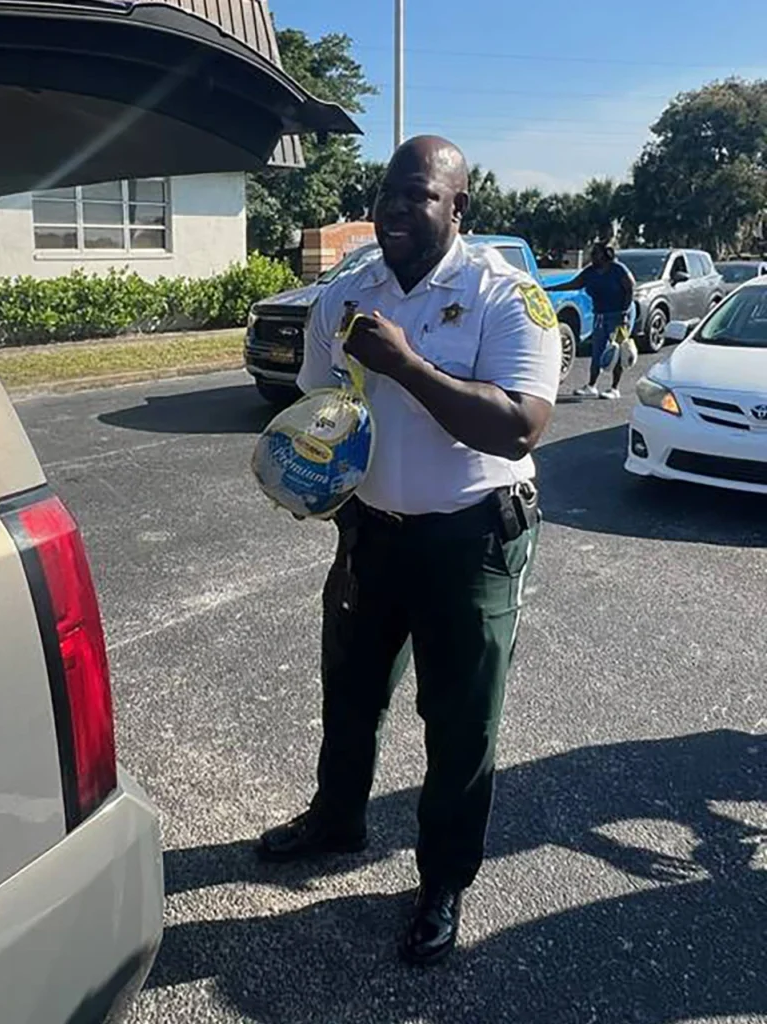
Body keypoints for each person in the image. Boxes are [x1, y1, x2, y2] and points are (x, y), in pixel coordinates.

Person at [256, 136, 561, 966]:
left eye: (417, 195)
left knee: (460, 722)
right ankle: (337, 820)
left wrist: (405, 363)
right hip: (370, 534)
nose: (394, 208)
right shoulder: (346, 292)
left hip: (471, 539)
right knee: (350, 691)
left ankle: (442, 881)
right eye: (387, 193)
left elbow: (519, 425)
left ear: (458, 207)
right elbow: (322, 403)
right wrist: (311, 480)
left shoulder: (508, 296)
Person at [547, 242, 635, 399]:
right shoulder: (590, 272)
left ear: (605, 254)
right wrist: (550, 289)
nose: (592, 256)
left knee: (618, 351)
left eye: (595, 253)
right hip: (600, 316)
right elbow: (574, 284)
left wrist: (624, 312)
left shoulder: (618, 270)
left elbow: (630, 287)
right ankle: (591, 385)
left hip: (618, 317)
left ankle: (614, 388)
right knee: (597, 352)